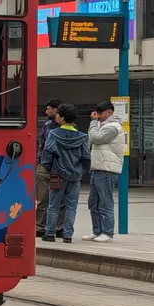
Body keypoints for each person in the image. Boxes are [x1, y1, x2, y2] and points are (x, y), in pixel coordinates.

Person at [41, 103, 90, 243]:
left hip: (57, 175)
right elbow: (86, 157)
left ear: (62, 117)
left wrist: (50, 170)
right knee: (71, 206)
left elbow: (47, 156)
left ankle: (50, 233)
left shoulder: (53, 134)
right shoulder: (82, 137)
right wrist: (81, 170)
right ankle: (67, 235)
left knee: (53, 205)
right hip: (75, 175)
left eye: (58, 115)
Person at [85, 101, 126, 243]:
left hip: (107, 169)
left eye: (100, 113)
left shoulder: (113, 127)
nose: (98, 116)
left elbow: (95, 138)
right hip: (97, 168)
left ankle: (107, 232)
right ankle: (97, 231)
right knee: (93, 202)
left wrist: (93, 123)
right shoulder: (101, 125)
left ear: (109, 112)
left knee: (105, 201)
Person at [35, 99, 66, 238]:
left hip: (59, 167)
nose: (46, 111)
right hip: (45, 165)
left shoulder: (68, 126)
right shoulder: (47, 125)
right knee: (42, 198)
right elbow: (41, 144)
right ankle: (40, 226)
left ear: (55, 110)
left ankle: (59, 227)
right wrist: (39, 161)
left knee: (60, 199)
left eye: (48, 109)